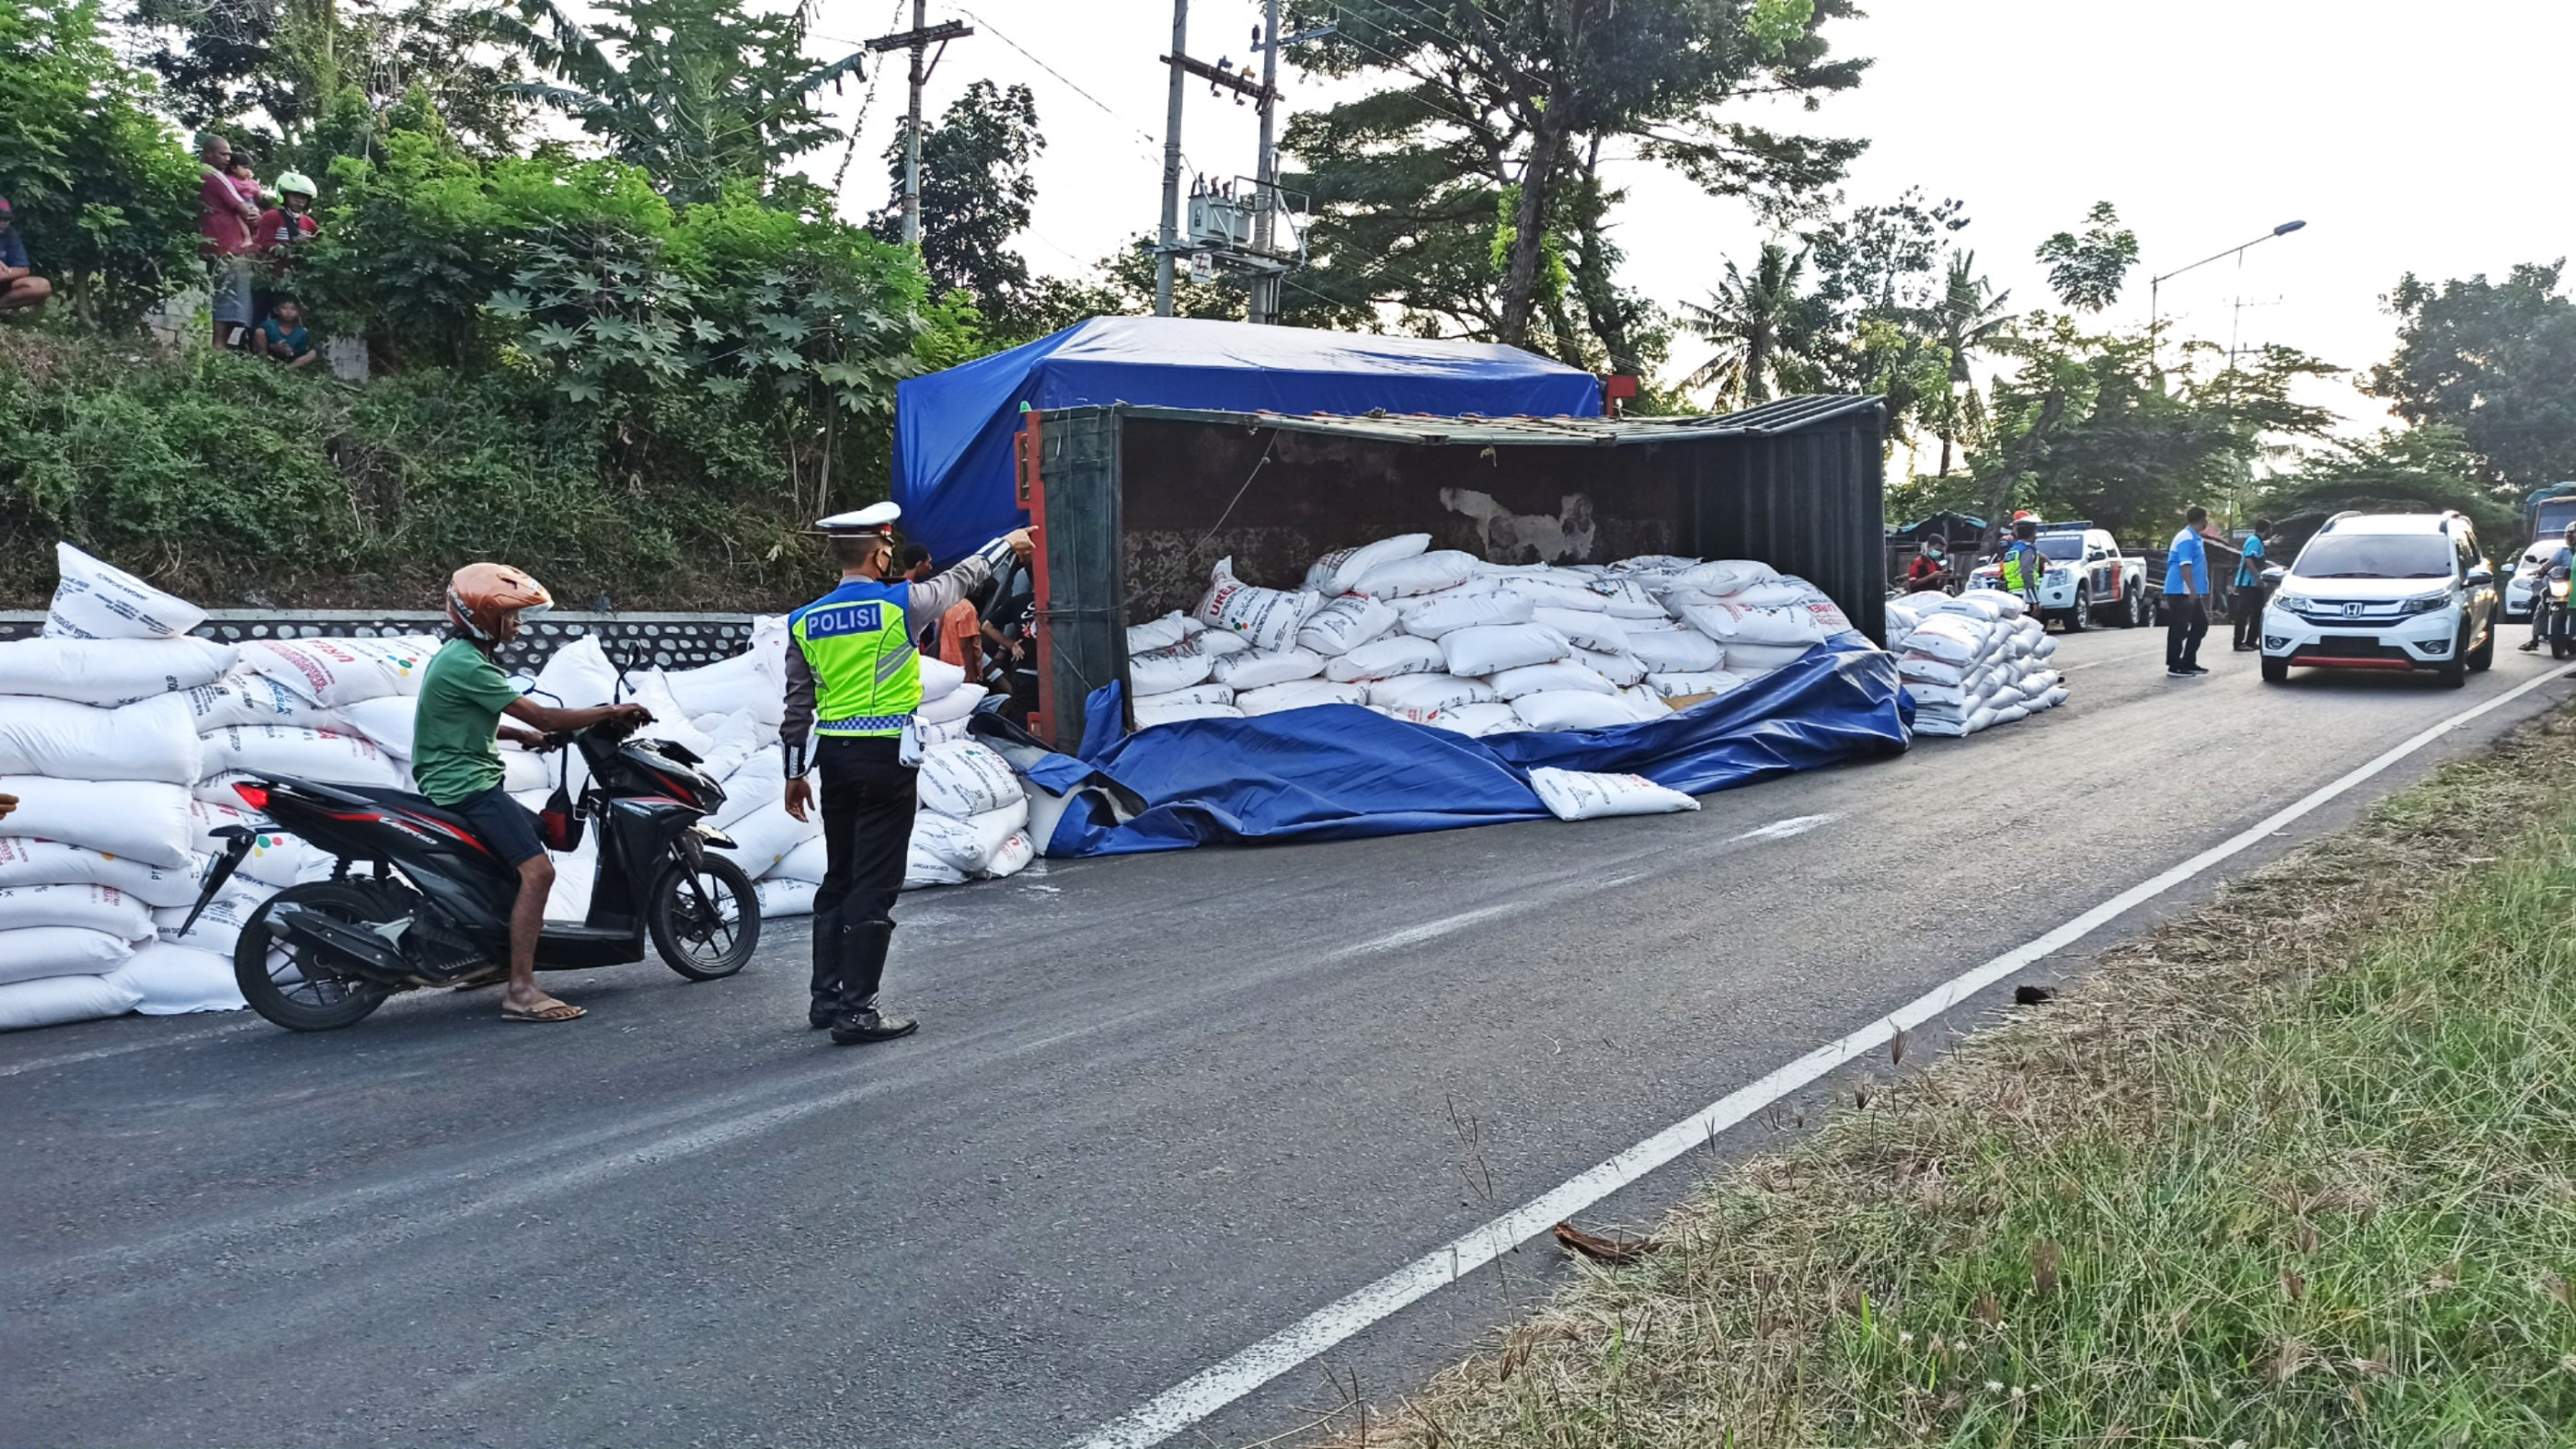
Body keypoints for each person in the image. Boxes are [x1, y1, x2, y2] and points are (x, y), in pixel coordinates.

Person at [781, 503, 1036, 1044]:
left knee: (840, 876)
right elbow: (958, 580)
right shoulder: (900, 603)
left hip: (834, 757)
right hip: (886, 760)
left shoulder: (804, 620)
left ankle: (826, 1000)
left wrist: (793, 772)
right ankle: (859, 1011)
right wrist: (1005, 545)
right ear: (880, 553)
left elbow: (797, 706)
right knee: (875, 882)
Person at [413, 563, 652, 1024]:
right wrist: (611, 711)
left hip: (459, 776)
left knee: (535, 835)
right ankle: (520, 990)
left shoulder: (458, 657)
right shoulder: (467, 663)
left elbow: (458, 718)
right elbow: (544, 716)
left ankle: (492, 957)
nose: (519, 625)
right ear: (485, 617)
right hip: (465, 786)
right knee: (539, 873)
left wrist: (519, 737)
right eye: (512, 616)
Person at [196, 134, 262, 350]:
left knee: (227, 295)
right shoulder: (214, 176)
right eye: (223, 153)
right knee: (231, 298)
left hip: (214, 244)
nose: (228, 157)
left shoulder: (198, 175)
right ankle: (219, 346)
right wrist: (256, 216)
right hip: (229, 247)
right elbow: (244, 210)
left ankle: (220, 346)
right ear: (208, 153)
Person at [252, 171, 318, 328]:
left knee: (290, 321)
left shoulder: (309, 223)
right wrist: (293, 243)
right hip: (270, 278)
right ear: (285, 196)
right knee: (260, 315)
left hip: (296, 281)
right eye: (295, 196)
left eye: (304, 197)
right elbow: (263, 245)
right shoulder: (272, 216)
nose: (299, 201)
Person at [2165, 506, 2213, 677]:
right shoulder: (2185, 538)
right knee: (2179, 628)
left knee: (2200, 625)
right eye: (2206, 519)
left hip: (2190, 591)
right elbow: (2185, 565)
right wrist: (2192, 589)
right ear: (2202, 519)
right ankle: (2175, 665)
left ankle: (2188, 661)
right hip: (2181, 590)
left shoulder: (2195, 537)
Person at [2519, 522, 2576, 650]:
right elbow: (2551, 563)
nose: (2573, 536)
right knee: (2542, 602)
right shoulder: (2563, 552)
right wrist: (2540, 570)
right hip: (2563, 586)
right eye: (2572, 534)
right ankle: (2535, 638)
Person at [2231, 518, 2273, 650]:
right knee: (2243, 613)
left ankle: (2251, 641)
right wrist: (2257, 576)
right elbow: (2249, 559)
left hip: (2255, 584)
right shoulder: (2253, 541)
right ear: (2267, 530)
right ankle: (2238, 642)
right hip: (2247, 583)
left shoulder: (2258, 542)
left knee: (2258, 612)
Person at [0, 200, 49, 314]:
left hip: (4, 281)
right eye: (0, 218)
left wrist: (4, 274)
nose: (3, 222)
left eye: (7, 219)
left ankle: (2, 306)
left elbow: (23, 269)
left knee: (42, 286)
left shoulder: (10, 234)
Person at [254, 297, 318, 370]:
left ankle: (286, 370)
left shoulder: (301, 332)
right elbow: (257, 341)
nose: (289, 312)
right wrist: (274, 347)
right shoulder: (269, 325)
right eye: (284, 308)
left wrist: (291, 351)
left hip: (289, 361)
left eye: (293, 309)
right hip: (270, 356)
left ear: (298, 312)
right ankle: (263, 364)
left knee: (313, 353)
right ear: (276, 310)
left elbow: (301, 352)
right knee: (259, 332)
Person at [1997, 518, 2045, 612]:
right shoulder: (2027, 550)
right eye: (2035, 533)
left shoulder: (2013, 550)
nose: (2036, 536)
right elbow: (2027, 572)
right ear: (2032, 533)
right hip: (2026, 595)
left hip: (2013, 592)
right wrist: (2035, 601)